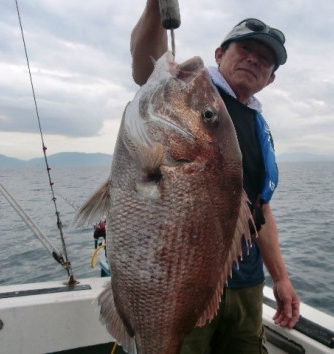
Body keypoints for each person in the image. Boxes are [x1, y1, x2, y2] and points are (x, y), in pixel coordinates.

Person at [130, 1, 300, 353]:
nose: (254, 59)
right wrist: (154, 6)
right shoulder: (189, 94)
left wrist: (280, 278)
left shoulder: (258, 125)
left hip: (247, 286)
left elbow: (260, 211)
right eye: (245, 49)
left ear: (271, 78)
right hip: (177, 283)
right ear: (220, 53)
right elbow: (147, 65)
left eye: (264, 59)